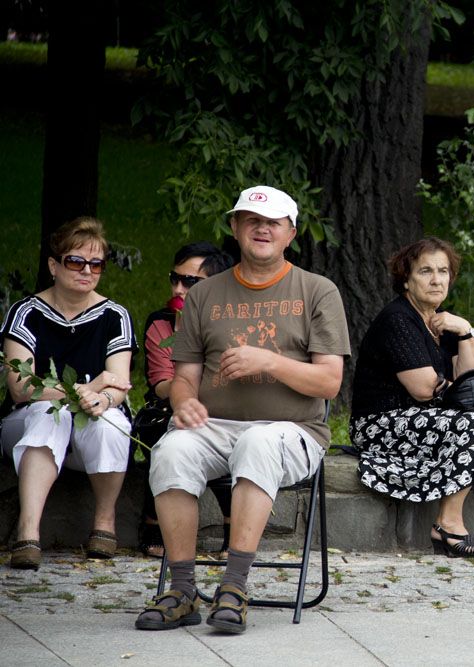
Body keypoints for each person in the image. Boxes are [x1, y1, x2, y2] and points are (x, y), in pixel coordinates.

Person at [135, 185, 351, 634]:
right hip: (215, 425)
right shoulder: (204, 294)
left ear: (291, 232)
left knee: (258, 441)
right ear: (235, 228)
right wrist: (185, 403)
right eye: (252, 220)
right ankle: (182, 591)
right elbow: (184, 378)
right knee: (171, 451)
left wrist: (268, 360)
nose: (262, 229)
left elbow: (329, 381)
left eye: (273, 222)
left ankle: (234, 587)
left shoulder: (317, 291)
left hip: (294, 430)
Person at [351, 237, 474, 558]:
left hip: (426, 417)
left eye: (443, 271)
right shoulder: (398, 320)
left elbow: (470, 381)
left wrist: (466, 332)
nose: (436, 279)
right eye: (426, 271)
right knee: (471, 422)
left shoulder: (443, 320)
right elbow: (423, 389)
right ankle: (447, 524)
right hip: (382, 422)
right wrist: (462, 393)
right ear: (406, 279)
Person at [2, 217, 136, 570]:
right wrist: (89, 388)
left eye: (96, 264)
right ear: (53, 265)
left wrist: (103, 399)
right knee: (53, 414)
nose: (86, 271)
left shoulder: (115, 315)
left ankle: (104, 524)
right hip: (25, 423)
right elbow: (21, 387)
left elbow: (118, 384)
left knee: (111, 423)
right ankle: (27, 533)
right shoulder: (26, 312)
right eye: (75, 261)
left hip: (90, 423)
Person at [137, 242, 235, 557]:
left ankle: (233, 522)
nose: (179, 288)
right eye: (175, 279)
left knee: (220, 426)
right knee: (178, 425)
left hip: (225, 407)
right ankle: (157, 517)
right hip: (170, 405)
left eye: (191, 282)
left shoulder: (233, 323)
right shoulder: (160, 323)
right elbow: (161, 383)